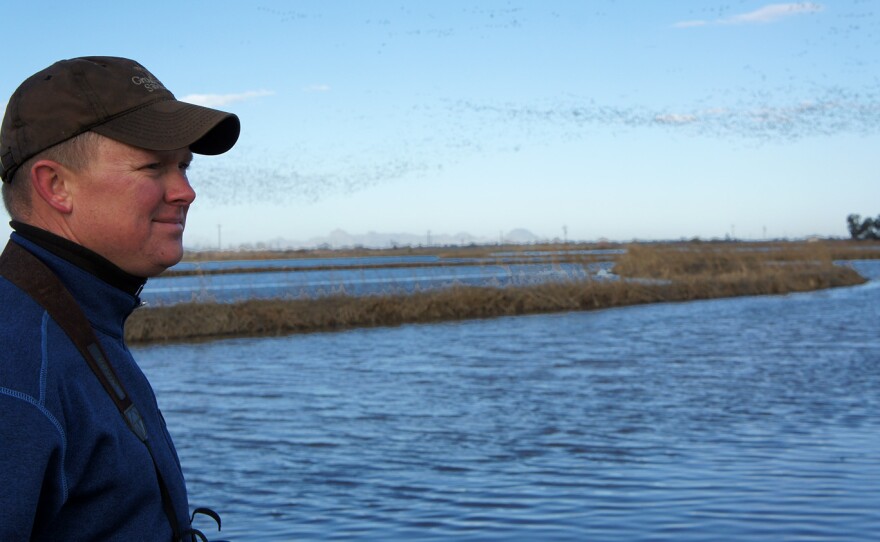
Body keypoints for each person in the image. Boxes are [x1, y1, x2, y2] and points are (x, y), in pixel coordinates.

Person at [0, 56, 240, 541]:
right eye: (154, 165)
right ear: (56, 186)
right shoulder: (17, 369)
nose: (186, 192)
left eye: (185, 166)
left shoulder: (82, 318)